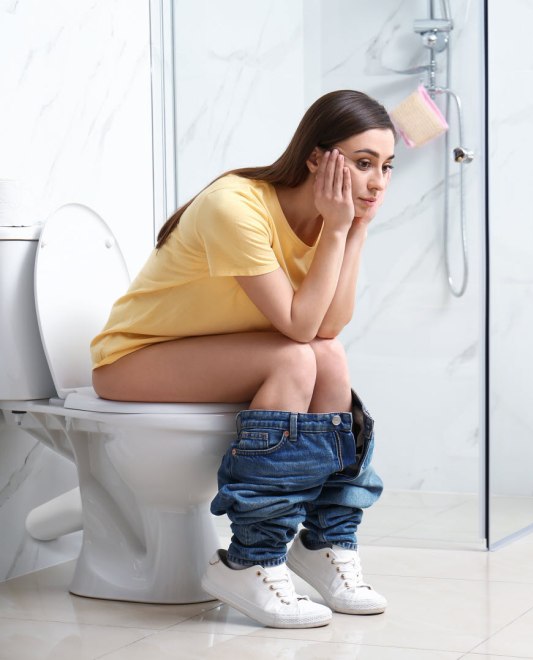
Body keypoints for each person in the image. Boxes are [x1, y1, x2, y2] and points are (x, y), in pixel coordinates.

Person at [90, 90, 395, 629]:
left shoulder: (332, 218)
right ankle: (249, 559)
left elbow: (327, 327)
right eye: (364, 163)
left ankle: (326, 541)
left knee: (330, 357)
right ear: (317, 158)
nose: (377, 182)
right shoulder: (236, 205)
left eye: (387, 167)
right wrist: (342, 228)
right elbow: (298, 327)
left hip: (220, 357)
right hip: (133, 358)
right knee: (296, 361)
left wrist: (355, 229)